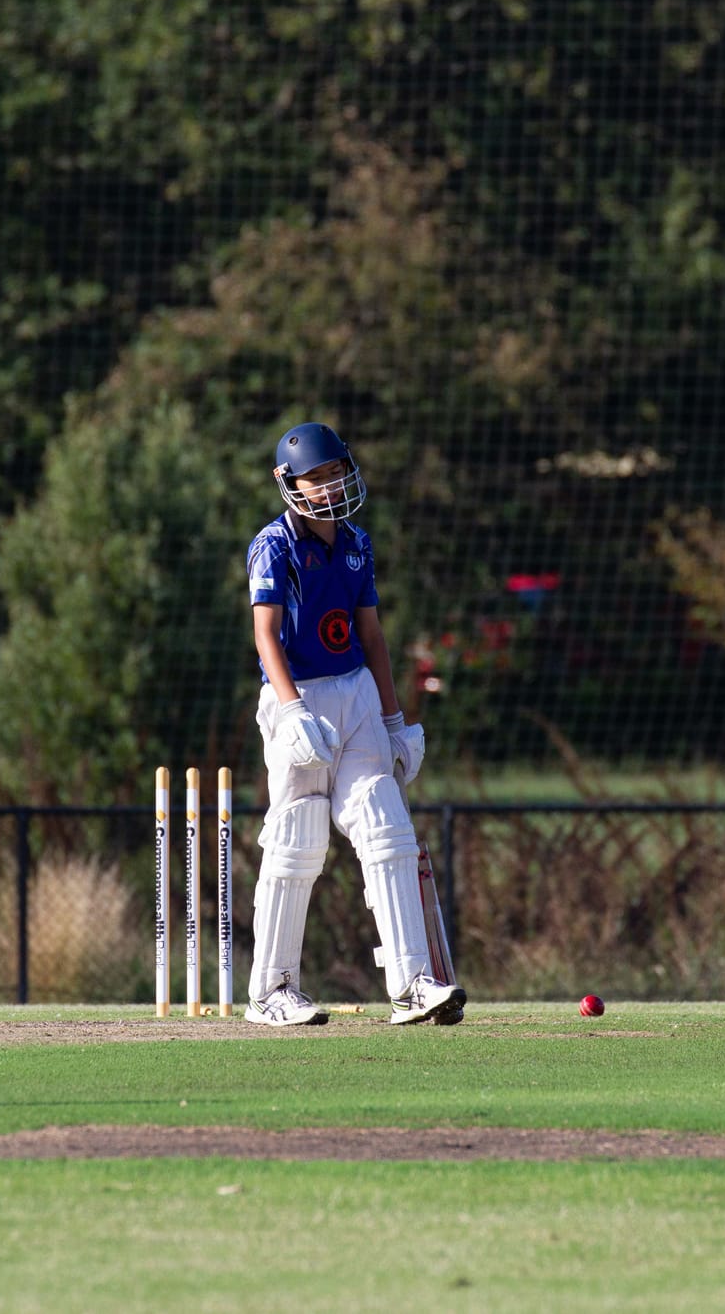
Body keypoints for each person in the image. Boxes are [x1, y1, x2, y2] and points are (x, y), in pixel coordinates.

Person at [240, 421, 466, 1028]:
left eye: (336, 471)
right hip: (299, 697)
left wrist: (395, 719)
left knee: (384, 822)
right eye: (317, 478)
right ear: (288, 484)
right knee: (297, 838)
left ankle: (413, 984)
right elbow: (265, 634)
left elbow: (372, 635)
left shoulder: (358, 542)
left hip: (357, 692)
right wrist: (289, 711)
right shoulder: (274, 545)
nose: (331, 485)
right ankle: (271, 990)